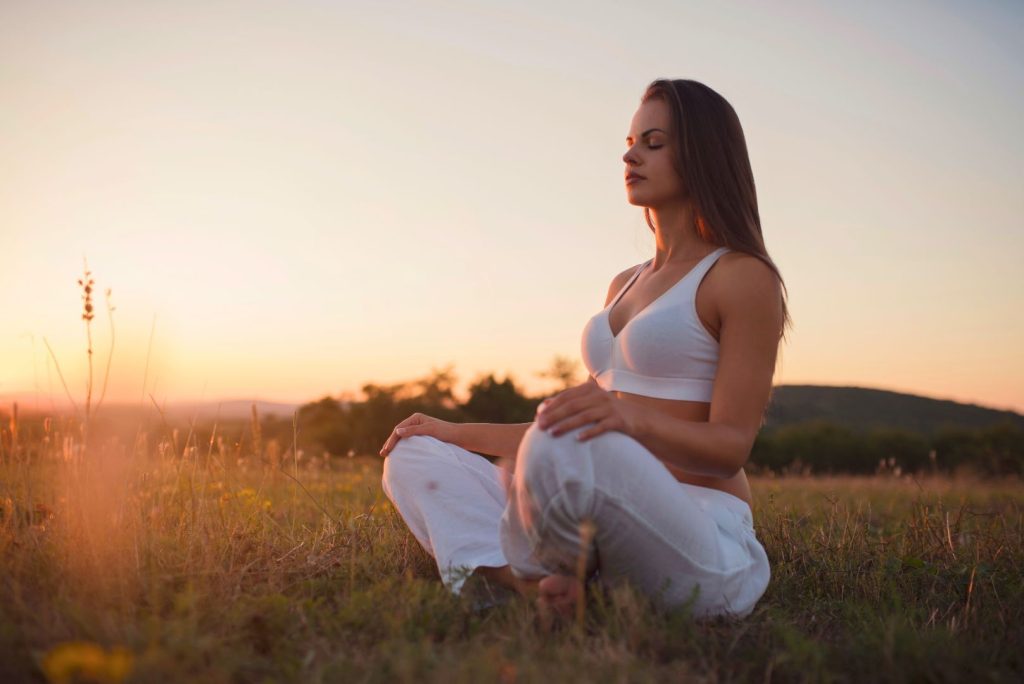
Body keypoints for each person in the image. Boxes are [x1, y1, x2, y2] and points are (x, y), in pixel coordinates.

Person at [378, 78, 791, 619]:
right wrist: (453, 434)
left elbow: (730, 447)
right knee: (414, 455)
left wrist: (625, 420)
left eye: (654, 142)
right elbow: (571, 435)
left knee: (567, 446)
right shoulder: (623, 283)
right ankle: (533, 583)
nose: (630, 153)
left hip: (699, 539)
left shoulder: (739, 276)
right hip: (594, 507)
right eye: (630, 140)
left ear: (703, 153)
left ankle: (543, 569)